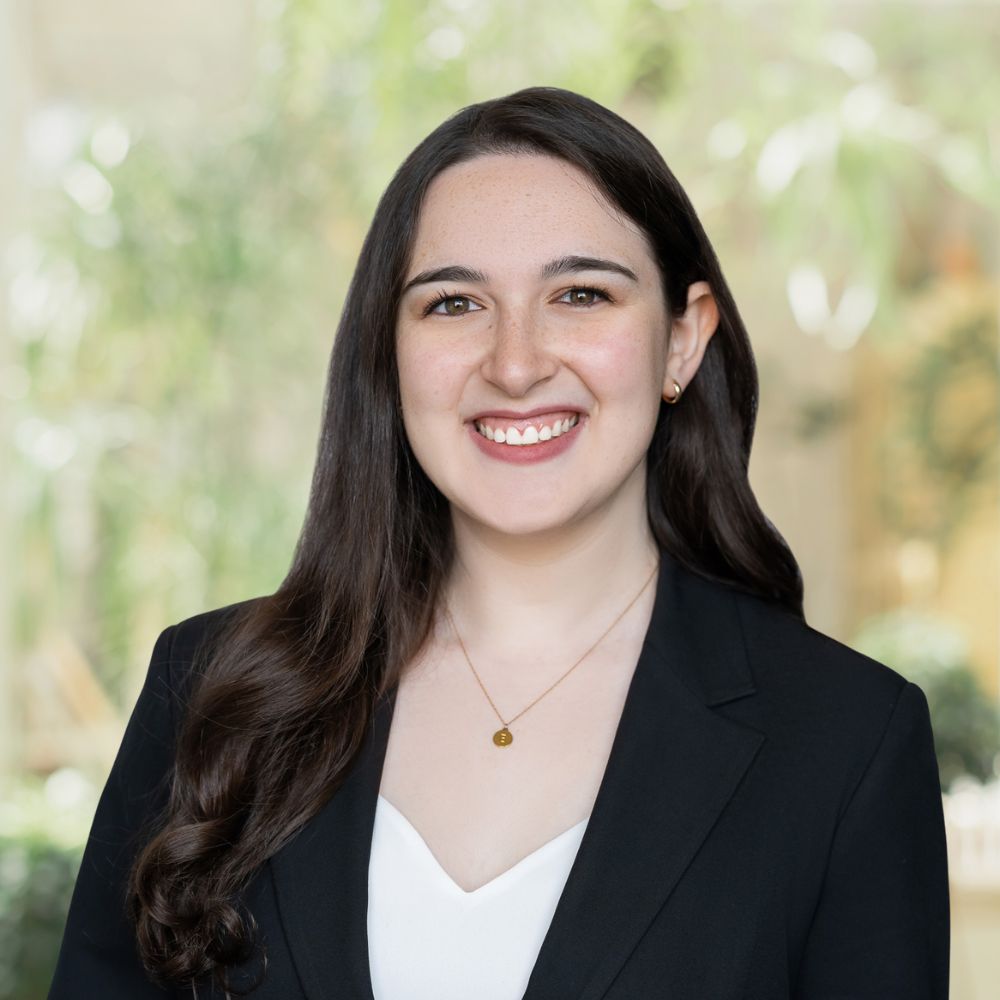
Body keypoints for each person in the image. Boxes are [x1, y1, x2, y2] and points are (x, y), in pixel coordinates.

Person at [49, 87, 950, 1000]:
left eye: (581, 294)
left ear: (682, 340)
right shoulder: (208, 692)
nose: (516, 364)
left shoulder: (846, 745)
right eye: (453, 305)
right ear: (388, 352)